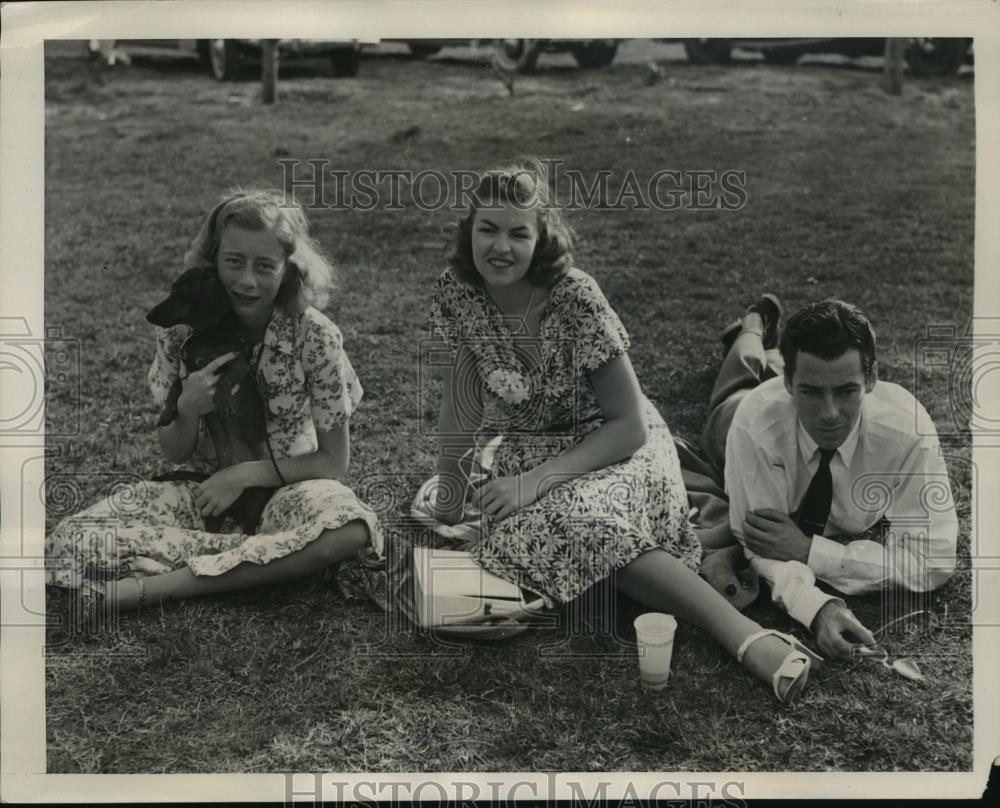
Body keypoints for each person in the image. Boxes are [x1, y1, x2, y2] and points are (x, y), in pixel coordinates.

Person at [426, 157, 821, 704]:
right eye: (487, 229)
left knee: (574, 522)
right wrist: (449, 486)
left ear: (541, 238)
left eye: (519, 233)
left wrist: (533, 483)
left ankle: (745, 636)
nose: (500, 247)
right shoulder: (458, 293)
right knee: (529, 536)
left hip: (618, 448)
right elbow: (462, 399)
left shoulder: (575, 297)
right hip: (530, 456)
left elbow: (629, 425)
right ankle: (645, 574)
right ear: (468, 230)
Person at [45, 188, 381, 624]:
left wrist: (241, 476)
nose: (247, 281)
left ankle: (146, 589)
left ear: (290, 269)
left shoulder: (314, 336)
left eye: (265, 266)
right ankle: (267, 559)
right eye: (234, 262)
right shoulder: (180, 331)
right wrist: (186, 407)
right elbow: (175, 451)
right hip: (201, 492)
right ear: (212, 259)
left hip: (290, 487)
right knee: (70, 539)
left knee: (350, 527)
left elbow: (334, 461)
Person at [695, 296, 958, 659]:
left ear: (872, 378)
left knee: (775, 366)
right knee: (738, 377)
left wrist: (811, 551)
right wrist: (817, 608)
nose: (830, 414)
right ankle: (753, 328)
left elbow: (933, 561)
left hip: (789, 392)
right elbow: (757, 543)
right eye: (811, 392)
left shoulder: (907, 434)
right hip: (737, 418)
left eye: (847, 391)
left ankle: (769, 349)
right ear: (790, 384)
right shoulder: (756, 424)